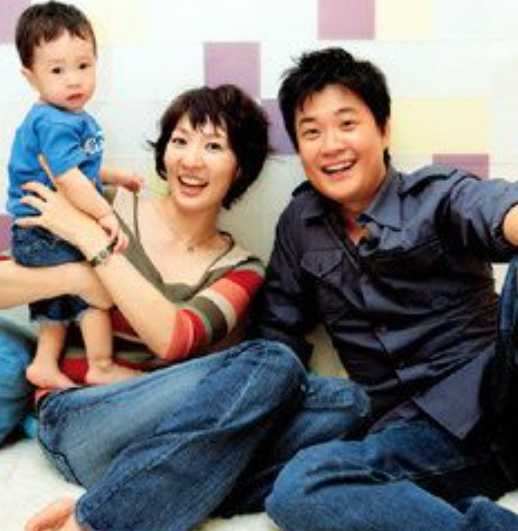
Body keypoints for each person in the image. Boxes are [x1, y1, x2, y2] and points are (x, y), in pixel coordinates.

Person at [0, 83, 367, 531]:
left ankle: (162, 491)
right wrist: (74, 277)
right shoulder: (104, 206)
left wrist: (95, 247)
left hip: (167, 436)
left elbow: (173, 338)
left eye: (213, 146)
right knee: (273, 361)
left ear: (239, 169)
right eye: (180, 141)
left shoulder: (241, 268)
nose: (191, 160)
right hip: (81, 419)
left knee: (347, 403)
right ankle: (101, 521)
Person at [245, 47, 518, 530]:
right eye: (312, 132)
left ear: (384, 129)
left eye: (347, 124)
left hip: (502, 395)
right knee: (301, 485)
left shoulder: (435, 195)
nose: (331, 145)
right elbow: (277, 337)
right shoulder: (299, 225)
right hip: (421, 439)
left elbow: (493, 209)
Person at [7, 1, 143, 390]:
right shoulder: (53, 121)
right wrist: (105, 215)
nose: (74, 80)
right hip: (43, 227)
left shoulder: (66, 117)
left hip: (39, 226)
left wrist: (116, 176)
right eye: (57, 70)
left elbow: (77, 170)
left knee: (60, 293)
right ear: (30, 77)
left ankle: (44, 363)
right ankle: (101, 365)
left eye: (83, 65)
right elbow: (68, 180)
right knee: (94, 288)